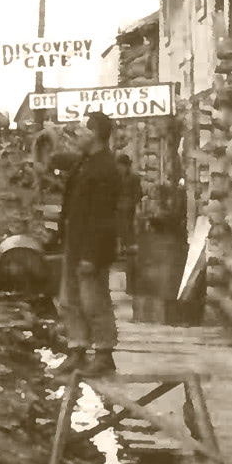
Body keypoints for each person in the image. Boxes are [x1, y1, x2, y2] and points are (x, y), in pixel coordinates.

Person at [53, 112, 121, 377]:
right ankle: (77, 350)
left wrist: (91, 256)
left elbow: (103, 218)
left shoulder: (106, 169)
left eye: (81, 130)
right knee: (70, 299)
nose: (77, 135)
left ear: (94, 134)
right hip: (74, 240)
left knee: (94, 301)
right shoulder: (85, 163)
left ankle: (104, 353)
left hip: (91, 246)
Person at [116, 152, 142, 257]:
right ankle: (121, 246)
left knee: (127, 225)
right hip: (118, 206)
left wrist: (132, 202)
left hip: (128, 206)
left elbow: (138, 193)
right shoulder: (116, 177)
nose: (119, 168)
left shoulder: (133, 178)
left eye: (121, 166)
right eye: (118, 166)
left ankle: (129, 245)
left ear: (126, 166)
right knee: (119, 226)